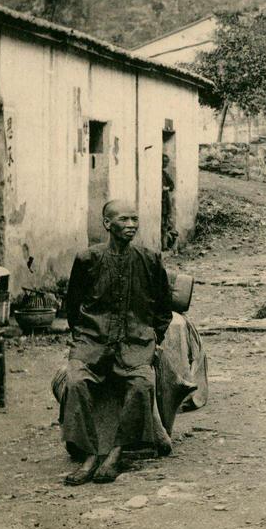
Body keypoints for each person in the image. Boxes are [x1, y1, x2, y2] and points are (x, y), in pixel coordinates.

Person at [60, 200, 173, 485]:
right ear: (107, 224)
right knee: (74, 382)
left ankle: (116, 454)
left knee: (142, 383)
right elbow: (72, 306)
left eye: (135, 219)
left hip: (135, 343)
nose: (132, 224)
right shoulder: (87, 260)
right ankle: (89, 454)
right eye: (124, 219)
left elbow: (163, 310)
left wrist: (152, 338)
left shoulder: (150, 259)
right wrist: (84, 337)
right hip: (92, 342)